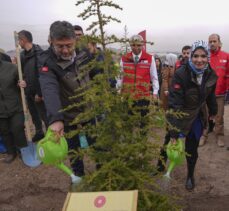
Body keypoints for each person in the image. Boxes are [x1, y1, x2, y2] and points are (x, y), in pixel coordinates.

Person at [158, 40, 218, 191]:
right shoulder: (181, 74)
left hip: (197, 115)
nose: (199, 60)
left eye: (203, 56)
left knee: (192, 148)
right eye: (196, 56)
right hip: (180, 113)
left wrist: (213, 113)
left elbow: (210, 96)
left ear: (208, 57)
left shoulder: (211, 74)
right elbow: (174, 103)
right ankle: (159, 165)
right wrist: (173, 131)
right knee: (169, 142)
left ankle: (190, 175)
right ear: (190, 56)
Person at [39, 21, 96, 176]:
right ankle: (79, 178)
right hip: (69, 116)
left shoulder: (84, 52)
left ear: (75, 41)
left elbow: (95, 71)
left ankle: (105, 174)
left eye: (69, 46)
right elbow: (49, 89)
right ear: (51, 41)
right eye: (60, 46)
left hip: (90, 110)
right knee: (74, 150)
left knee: (97, 145)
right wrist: (56, 118)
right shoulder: (46, 61)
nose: (65, 50)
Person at [18, 30, 48, 142]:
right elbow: (23, 73)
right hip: (28, 92)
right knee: (34, 115)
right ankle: (39, 132)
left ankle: (51, 136)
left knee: (44, 115)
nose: (18, 43)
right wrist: (22, 81)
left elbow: (43, 75)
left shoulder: (39, 54)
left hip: (38, 93)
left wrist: (40, 93)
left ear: (24, 40)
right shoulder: (22, 56)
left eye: (19, 40)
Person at [199, 34, 229, 147]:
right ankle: (204, 135)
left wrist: (227, 90)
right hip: (206, 94)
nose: (212, 43)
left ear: (219, 42)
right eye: (210, 41)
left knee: (219, 116)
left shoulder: (226, 56)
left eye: (214, 41)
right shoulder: (205, 56)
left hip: (220, 94)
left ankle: (220, 136)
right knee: (205, 115)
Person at [0, 58, 28, 163]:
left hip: (14, 105)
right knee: (4, 131)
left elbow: (23, 79)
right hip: (0, 110)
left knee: (17, 128)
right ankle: (11, 152)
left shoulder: (11, 67)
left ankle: (23, 150)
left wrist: (23, 83)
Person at [118, 34, 159, 99]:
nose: (136, 48)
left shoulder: (150, 58)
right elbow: (120, 77)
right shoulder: (124, 58)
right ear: (130, 45)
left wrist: (155, 92)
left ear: (142, 45)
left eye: (138, 45)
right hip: (127, 96)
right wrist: (118, 91)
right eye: (133, 45)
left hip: (144, 96)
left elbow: (154, 77)